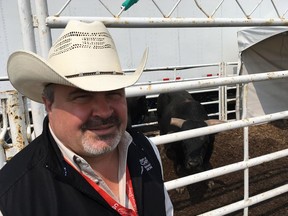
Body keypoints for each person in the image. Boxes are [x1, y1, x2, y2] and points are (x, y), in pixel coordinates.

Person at [0, 20, 173, 216]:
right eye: (82, 96)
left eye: (113, 93)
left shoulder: (145, 149)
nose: (104, 111)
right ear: (49, 104)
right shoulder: (12, 198)